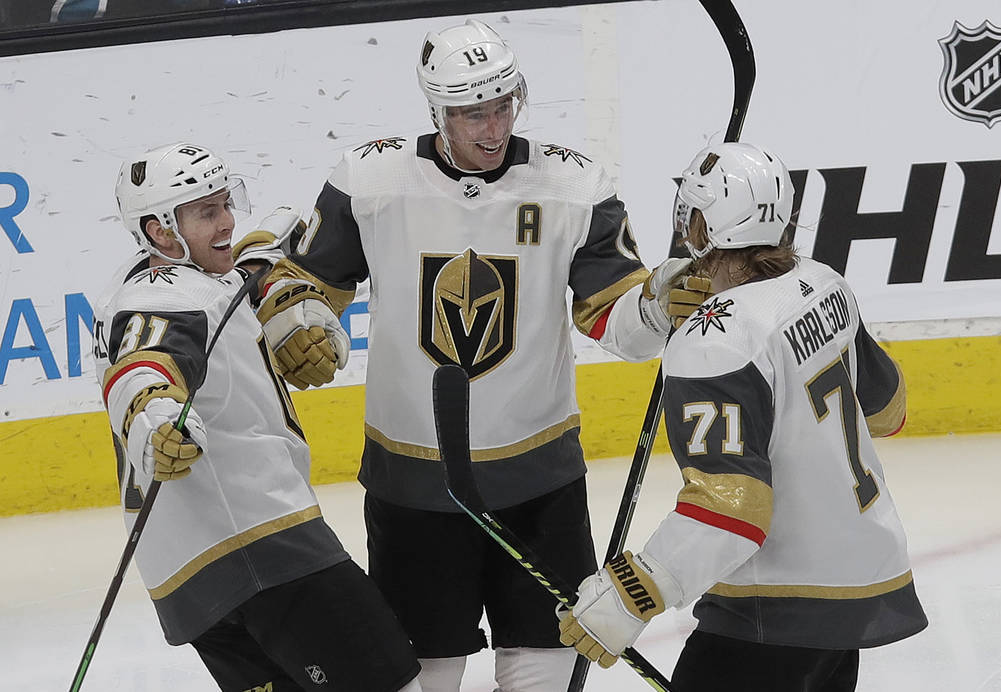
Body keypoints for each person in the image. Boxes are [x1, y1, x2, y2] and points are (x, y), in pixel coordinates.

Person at [255, 18, 710, 692]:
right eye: (472, 113)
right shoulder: (369, 180)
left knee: (545, 671)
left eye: (503, 106)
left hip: (540, 484)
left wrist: (655, 308)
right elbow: (303, 284)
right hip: (412, 484)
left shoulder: (573, 187)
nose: (492, 128)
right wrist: (293, 319)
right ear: (437, 109)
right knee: (424, 674)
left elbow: (613, 316)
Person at [558, 142, 929, 691]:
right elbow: (887, 408)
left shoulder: (714, 341)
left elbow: (733, 510)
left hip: (779, 604)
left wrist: (632, 593)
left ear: (704, 229)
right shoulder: (823, 283)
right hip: (854, 587)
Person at [92, 142, 422, 692]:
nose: (227, 222)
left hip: (184, 576)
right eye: (207, 212)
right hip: (262, 545)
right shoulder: (164, 302)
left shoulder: (157, 279)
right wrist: (154, 420)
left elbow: (252, 259)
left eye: (226, 203)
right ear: (160, 231)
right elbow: (143, 366)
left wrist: (282, 297)